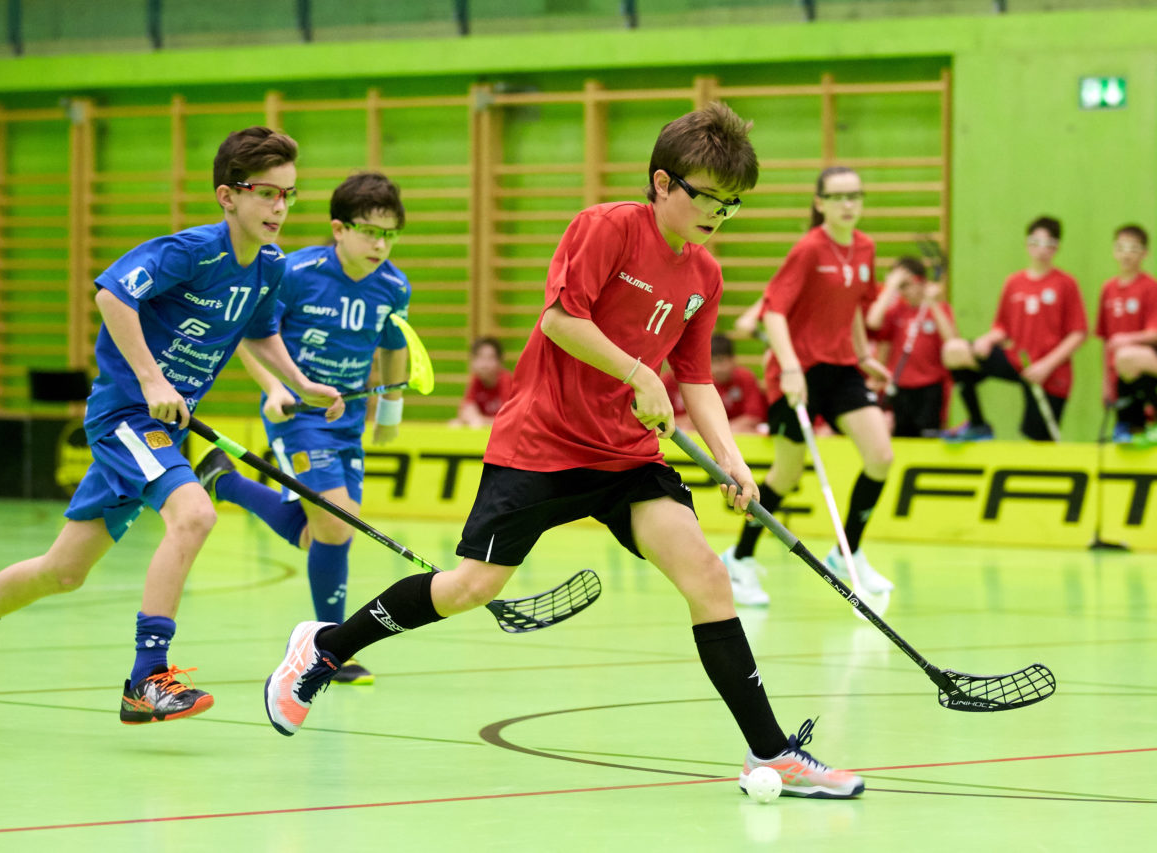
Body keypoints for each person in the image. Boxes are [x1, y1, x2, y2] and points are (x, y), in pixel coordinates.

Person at [258, 102, 864, 800]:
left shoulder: (705, 275)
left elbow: (695, 376)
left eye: (732, 206)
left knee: (706, 576)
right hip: (541, 444)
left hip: (629, 456)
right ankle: (328, 645)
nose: (718, 216)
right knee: (471, 588)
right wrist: (638, 372)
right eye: (707, 198)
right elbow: (559, 318)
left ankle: (775, 752)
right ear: (664, 183)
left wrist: (730, 456)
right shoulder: (607, 227)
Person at [0, 127, 343, 725]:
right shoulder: (191, 251)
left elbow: (260, 331)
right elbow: (113, 295)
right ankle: (147, 679)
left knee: (63, 570)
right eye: (268, 193)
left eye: (290, 195)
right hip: (128, 417)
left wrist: (298, 382)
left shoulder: (267, 267)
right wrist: (153, 380)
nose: (281, 208)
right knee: (195, 514)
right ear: (227, 196)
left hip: (162, 428)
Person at [195, 171, 411, 687]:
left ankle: (225, 481)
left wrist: (391, 411)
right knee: (339, 522)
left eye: (390, 234)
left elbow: (393, 346)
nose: (380, 244)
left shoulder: (394, 285)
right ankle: (329, 647)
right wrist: (275, 388)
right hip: (296, 416)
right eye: (368, 231)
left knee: (326, 533)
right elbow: (249, 334)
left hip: (347, 419)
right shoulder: (294, 272)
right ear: (338, 229)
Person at [720, 166, 896, 607]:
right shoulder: (808, 249)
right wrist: (792, 367)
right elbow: (774, 312)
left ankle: (847, 551)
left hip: (841, 369)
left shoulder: (865, 248)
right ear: (820, 203)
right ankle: (738, 559)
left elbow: (855, 304)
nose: (847, 204)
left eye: (854, 195)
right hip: (798, 373)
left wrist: (864, 354)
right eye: (837, 197)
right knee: (787, 473)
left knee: (881, 456)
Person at [941, 216, 1087, 442]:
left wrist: (1046, 366)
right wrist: (988, 339)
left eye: (1048, 244)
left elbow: (1078, 333)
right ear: (1027, 244)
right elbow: (1002, 327)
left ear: (1056, 248)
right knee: (954, 351)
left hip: (1049, 372)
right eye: (1035, 242)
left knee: (1039, 441)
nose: (1041, 250)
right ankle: (978, 424)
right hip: (1016, 360)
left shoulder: (1066, 284)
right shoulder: (1014, 282)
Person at [865, 256, 958, 437]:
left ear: (920, 281)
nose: (902, 292)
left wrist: (933, 304)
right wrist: (890, 287)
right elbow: (872, 321)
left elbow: (953, 341)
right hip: (900, 389)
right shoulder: (897, 312)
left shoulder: (939, 309)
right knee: (902, 439)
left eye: (905, 285)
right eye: (900, 287)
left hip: (930, 389)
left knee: (928, 439)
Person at [1095, 224, 1157, 444]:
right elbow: (1106, 340)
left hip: (1148, 362)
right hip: (1123, 372)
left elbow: (1154, 333)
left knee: (1126, 356)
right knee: (1123, 361)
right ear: (1114, 251)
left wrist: (1127, 339)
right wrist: (1105, 382)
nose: (1126, 253)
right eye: (1121, 247)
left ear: (1144, 253)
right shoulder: (1108, 289)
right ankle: (1131, 425)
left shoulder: (1151, 287)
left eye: (1133, 248)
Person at [664, 333, 766, 433]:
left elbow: (754, 416)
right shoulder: (670, 381)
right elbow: (697, 419)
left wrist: (727, 431)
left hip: (735, 432)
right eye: (712, 362)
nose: (718, 368)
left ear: (733, 360)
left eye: (721, 361)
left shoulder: (744, 378)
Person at [450, 336, 514, 427]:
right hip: (487, 428)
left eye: (490, 358)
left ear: (500, 361)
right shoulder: (476, 380)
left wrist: (481, 420)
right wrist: (471, 417)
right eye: (480, 357)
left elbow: (509, 419)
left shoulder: (506, 380)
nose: (485, 364)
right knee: (456, 424)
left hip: (502, 431)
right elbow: (465, 410)